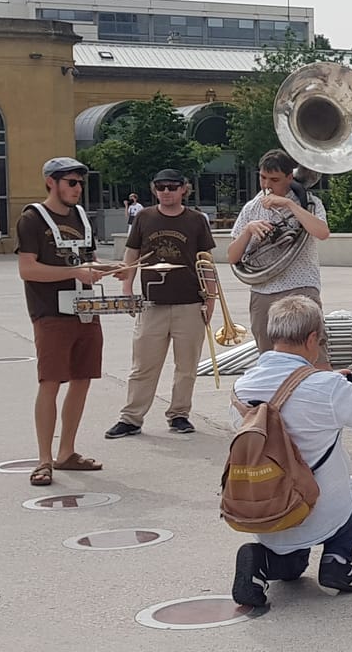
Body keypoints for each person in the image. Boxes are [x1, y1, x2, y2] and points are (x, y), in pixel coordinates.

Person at [229, 296, 352, 610]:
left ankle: (261, 561)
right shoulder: (330, 389)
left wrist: (329, 381)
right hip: (316, 507)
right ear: (311, 339)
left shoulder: (241, 387)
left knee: (292, 568)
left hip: (265, 508)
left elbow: (292, 394)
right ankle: (337, 562)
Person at [15, 157, 109, 487]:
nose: (77, 188)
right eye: (71, 182)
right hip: (50, 312)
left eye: (80, 183)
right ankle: (43, 459)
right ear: (51, 183)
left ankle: (67, 451)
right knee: (50, 382)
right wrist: (73, 272)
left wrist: (109, 268)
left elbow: (88, 260)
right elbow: (27, 269)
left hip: (85, 308)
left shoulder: (82, 216)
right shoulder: (32, 218)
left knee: (83, 379)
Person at [105, 168, 217, 440]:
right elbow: (132, 253)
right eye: (161, 186)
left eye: (172, 186)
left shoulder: (196, 220)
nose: (166, 191)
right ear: (154, 189)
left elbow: (206, 260)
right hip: (152, 302)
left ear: (183, 189)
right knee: (143, 364)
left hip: (190, 301)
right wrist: (127, 286)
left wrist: (211, 298)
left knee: (186, 365)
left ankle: (179, 414)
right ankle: (131, 417)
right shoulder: (144, 217)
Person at [226, 150, 332, 359]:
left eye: (274, 180)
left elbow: (322, 232)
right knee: (269, 357)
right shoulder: (251, 208)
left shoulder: (309, 202)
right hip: (263, 290)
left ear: (289, 178)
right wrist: (248, 230)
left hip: (301, 286)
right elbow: (232, 257)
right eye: (262, 178)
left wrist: (289, 204)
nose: (266, 185)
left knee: (316, 354)